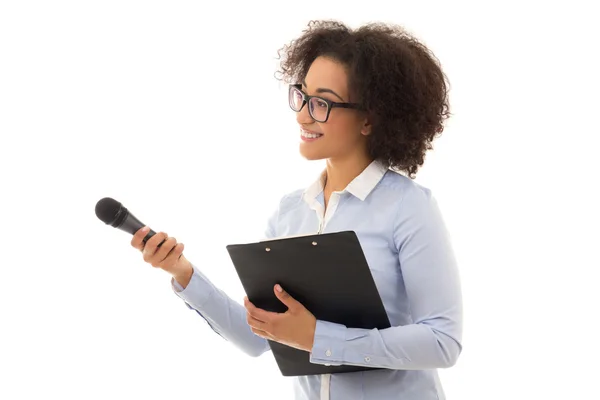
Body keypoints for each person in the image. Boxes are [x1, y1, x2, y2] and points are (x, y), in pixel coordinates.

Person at [130, 19, 463, 400]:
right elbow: (260, 337)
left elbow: (442, 341)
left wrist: (319, 338)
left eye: (322, 102)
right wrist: (182, 272)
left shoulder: (409, 207)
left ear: (369, 118)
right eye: (301, 96)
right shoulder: (291, 212)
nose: (303, 115)